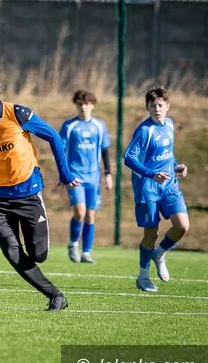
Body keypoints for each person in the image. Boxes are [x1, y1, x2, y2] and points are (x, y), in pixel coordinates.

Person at [0, 66, 80, 312]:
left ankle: (45, 268)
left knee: (38, 255)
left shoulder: (18, 113)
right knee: (12, 251)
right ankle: (55, 296)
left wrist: (65, 174)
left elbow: (53, 136)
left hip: (27, 194)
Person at [124, 86, 189, 293]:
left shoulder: (169, 124)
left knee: (182, 226)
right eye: (153, 106)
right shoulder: (145, 130)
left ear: (167, 106)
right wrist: (151, 173)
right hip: (148, 189)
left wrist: (177, 166)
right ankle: (143, 276)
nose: (157, 109)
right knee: (151, 234)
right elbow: (129, 158)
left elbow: (168, 154)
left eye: (160, 105)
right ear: (147, 108)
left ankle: (159, 253)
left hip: (169, 185)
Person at [59, 90, 112, 264]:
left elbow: (104, 151)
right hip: (75, 175)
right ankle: (73, 243)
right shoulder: (69, 126)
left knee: (90, 215)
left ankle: (86, 252)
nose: (83, 107)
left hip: (94, 177)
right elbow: (60, 151)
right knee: (80, 212)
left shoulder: (99, 126)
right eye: (80, 104)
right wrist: (63, 174)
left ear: (92, 105)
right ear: (76, 105)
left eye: (87, 104)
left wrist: (108, 174)